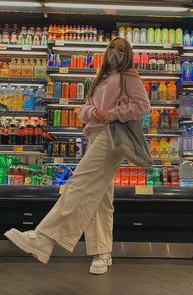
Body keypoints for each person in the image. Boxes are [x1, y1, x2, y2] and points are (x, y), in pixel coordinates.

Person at [4, 37, 150, 275]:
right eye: (112, 47)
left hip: (113, 136)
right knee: (100, 196)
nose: (115, 52)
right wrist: (93, 111)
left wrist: (112, 114)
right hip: (95, 135)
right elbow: (84, 109)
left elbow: (142, 106)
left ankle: (44, 238)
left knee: (79, 183)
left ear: (128, 55)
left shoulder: (129, 77)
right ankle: (102, 252)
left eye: (121, 49)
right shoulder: (101, 79)